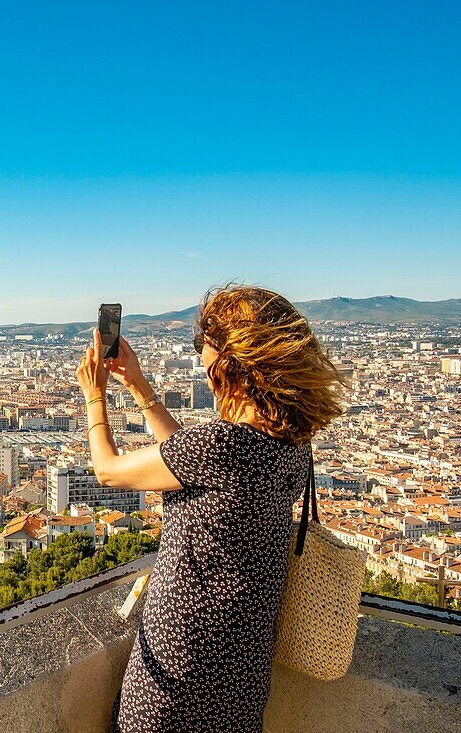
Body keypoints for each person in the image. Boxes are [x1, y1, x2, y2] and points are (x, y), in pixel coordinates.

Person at [75, 285, 345, 733]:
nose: (200, 355)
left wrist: (94, 395)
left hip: (179, 667)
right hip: (241, 671)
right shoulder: (294, 443)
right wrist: (138, 384)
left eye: (206, 345)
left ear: (234, 364)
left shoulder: (220, 446)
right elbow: (192, 462)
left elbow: (107, 471)